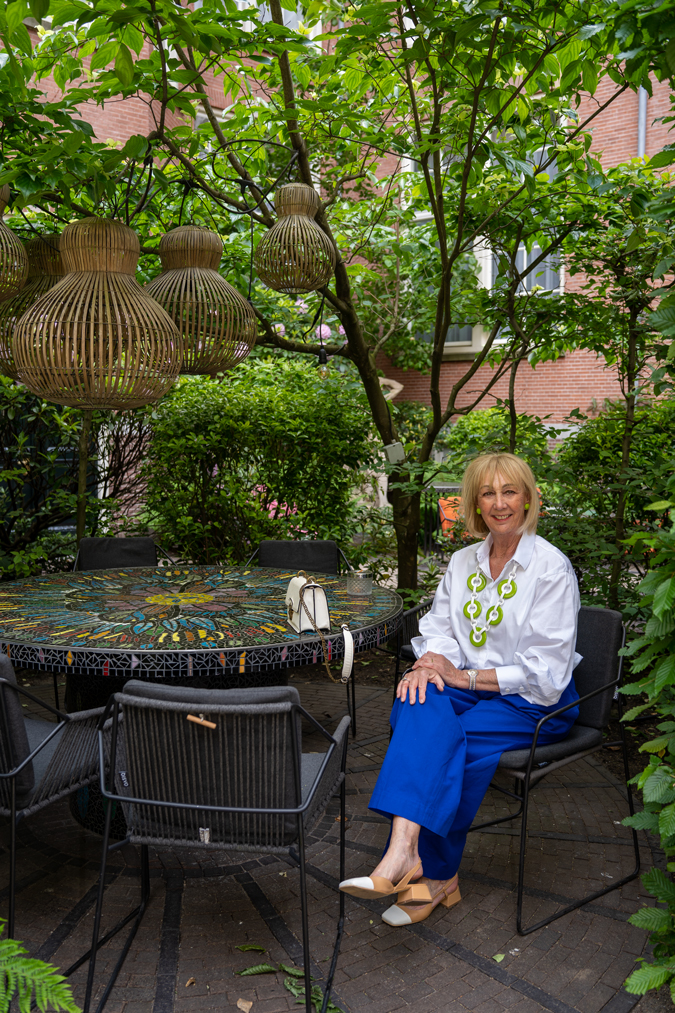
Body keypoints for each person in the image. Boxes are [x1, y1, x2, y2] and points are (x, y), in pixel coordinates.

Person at [339, 452, 581, 926]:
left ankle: (437, 877)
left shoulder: (551, 569)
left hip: (531, 701)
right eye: (487, 493)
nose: (499, 503)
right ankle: (405, 851)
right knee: (415, 697)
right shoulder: (463, 560)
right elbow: (440, 628)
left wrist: (462, 677)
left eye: (509, 491)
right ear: (474, 503)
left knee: (455, 744)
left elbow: (545, 671)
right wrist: (431, 664)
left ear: (527, 497)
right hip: (468, 685)